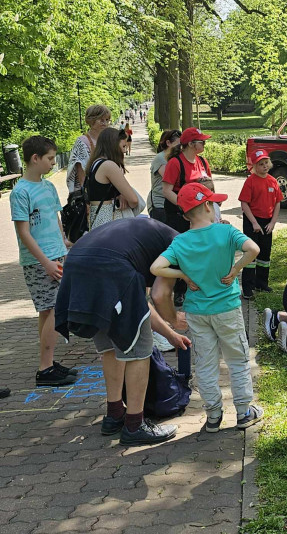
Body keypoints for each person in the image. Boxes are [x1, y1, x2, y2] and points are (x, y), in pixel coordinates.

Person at [55, 218, 191, 446]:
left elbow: (140, 303)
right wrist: (174, 319)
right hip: (109, 267)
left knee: (111, 346)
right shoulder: (180, 248)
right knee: (140, 351)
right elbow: (158, 296)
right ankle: (135, 426)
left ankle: (114, 414)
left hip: (79, 261)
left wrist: (170, 336)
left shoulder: (150, 237)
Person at [150, 182, 263, 432]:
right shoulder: (226, 232)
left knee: (205, 363)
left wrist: (184, 275)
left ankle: (213, 415)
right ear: (209, 206)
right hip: (227, 308)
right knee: (237, 359)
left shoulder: (181, 242)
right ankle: (244, 412)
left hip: (197, 312)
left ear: (185, 214)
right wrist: (236, 270)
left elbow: (156, 268)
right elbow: (253, 249)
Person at [10, 136, 77, 387]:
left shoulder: (48, 186)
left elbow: (55, 216)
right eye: (49, 159)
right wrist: (46, 262)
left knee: (48, 310)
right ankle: (45, 368)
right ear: (35, 158)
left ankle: (47, 362)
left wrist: (63, 241)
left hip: (57, 254)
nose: (53, 163)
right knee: (52, 309)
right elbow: (24, 232)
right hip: (40, 261)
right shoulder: (20, 192)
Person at [238, 149, 282, 299]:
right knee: (251, 255)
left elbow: (277, 203)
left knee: (265, 254)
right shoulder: (250, 181)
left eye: (266, 163)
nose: (264, 166)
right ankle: (247, 288)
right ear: (254, 166)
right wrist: (254, 223)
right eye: (260, 164)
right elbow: (244, 203)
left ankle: (261, 283)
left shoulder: (273, 181)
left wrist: (273, 222)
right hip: (253, 221)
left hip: (267, 222)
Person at [85, 128, 140, 229]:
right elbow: (133, 200)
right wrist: (124, 197)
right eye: (123, 146)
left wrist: (119, 194)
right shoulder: (109, 165)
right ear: (113, 145)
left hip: (98, 218)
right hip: (109, 220)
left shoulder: (95, 163)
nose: (125, 150)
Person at [162, 127, 212, 233]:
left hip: (200, 215)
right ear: (190, 144)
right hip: (180, 216)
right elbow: (166, 191)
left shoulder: (203, 161)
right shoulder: (175, 163)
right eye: (201, 141)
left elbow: (210, 184)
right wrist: (186, 206)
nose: (204, 143)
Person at [66, 104, 111, 195]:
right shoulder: (82, 141)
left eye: (107, 120)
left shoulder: (108, 140)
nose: (105, 123)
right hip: (91, 193)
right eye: (101, 120)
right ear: (91, 121)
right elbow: (81, 173)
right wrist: (86, 197)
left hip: (108, 191)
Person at [148, 129, 182, 223]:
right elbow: (172, 179)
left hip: (172, 205)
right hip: (160, 206)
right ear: (168, 143)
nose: (181, 147)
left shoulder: (176, 158)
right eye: (178, 144)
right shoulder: (161, 158)